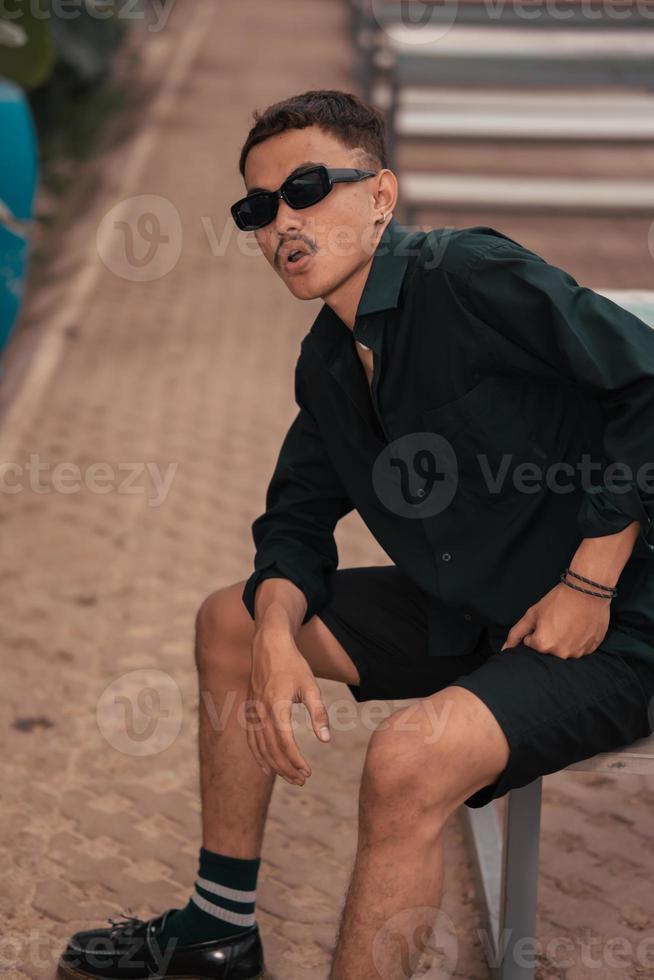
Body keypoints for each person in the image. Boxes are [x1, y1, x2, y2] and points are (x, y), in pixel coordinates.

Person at [59, 89, 654, 980]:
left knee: (406, 765)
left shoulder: (468, 276)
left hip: (615, 622)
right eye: (257, 210)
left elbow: (645, 385)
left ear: (381, 194)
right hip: (474, 610)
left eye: (306, 189)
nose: (281, 224)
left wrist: (590, 583)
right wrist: (271, 638)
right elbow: (295, 517)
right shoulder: (328, 358)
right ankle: (217, 932)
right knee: (230, 620)